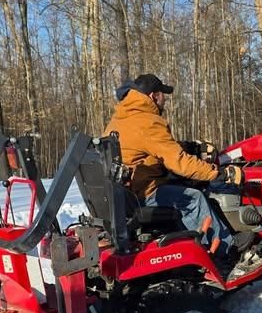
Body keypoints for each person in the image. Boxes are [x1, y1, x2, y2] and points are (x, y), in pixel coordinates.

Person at [104, 74, 252, 258]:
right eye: (162, 94)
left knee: (183, 185)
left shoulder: (121, 118)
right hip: (143, 193)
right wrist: (219, 173)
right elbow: (179, 162)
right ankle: (225, 249)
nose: (165, 99)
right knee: (193, 198)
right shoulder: (148, 122)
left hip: (127, 193)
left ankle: (195, 238)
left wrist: (191, 147)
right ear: (153, 96)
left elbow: (153, 147)